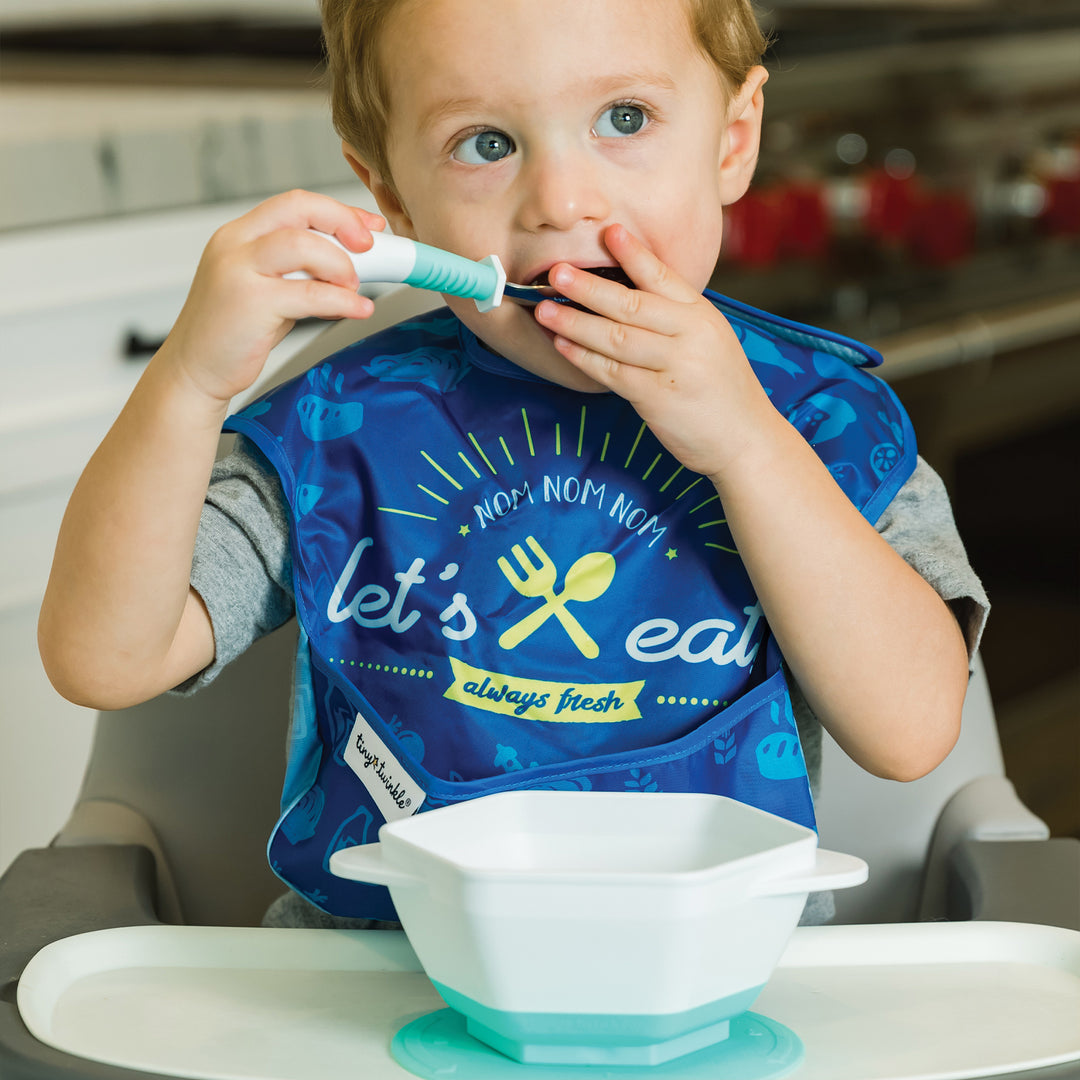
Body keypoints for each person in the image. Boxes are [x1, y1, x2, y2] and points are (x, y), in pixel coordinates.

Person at [38, 0, 988, 928]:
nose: (561, 202)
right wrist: (188, 384)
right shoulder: (338, 430)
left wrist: (747, 446)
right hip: (365, 996)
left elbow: (908, 733)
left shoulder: (818, 424)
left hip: (715, 991)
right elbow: (104, 658)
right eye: (485, 143)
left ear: (732, 141)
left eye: (625, 119)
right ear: (395, 196)